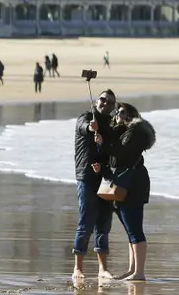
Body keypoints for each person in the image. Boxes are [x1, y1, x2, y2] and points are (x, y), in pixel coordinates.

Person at [99, 103, 155, 281]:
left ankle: (139, 272)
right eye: (117, 112)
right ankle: (133, 270)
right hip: (125, 182)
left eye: (122, 112)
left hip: (133, 184)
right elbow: (114, 158)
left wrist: (103, 143)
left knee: (134, 228)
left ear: (131, 115)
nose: (118, 114)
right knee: (130, 229)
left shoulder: (135, 132)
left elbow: (120, 154)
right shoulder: (124, 131)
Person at [72, 89, 117, 280]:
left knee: (104, 223)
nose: (105, 104)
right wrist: (92, 128)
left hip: (105, 178)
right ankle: (77, 268)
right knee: (86, 222)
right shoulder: (85, 117)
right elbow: (84, 127)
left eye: (110, 102)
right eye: (103, 100)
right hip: (86, 177)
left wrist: (103, 141)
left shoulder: (111, 124)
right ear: (97, 101)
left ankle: (102, 269)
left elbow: (113, 151)